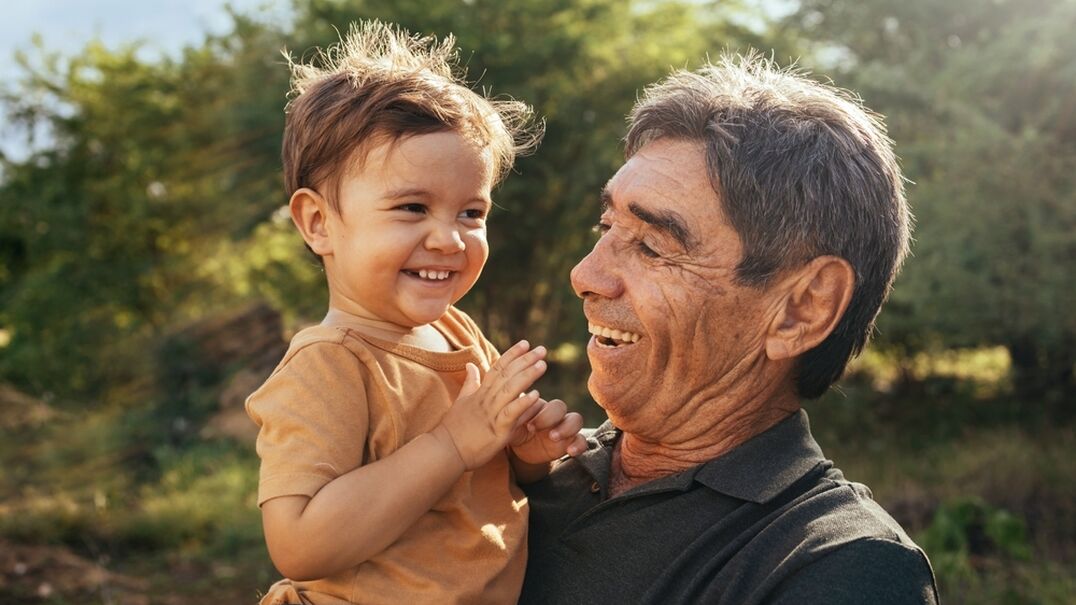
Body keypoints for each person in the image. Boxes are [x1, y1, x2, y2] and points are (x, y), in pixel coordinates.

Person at [519, 53, 939, 604]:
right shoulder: (521, 469)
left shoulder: (839, 566)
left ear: (802, 309)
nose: (585, 275)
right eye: (606, 226)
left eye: (652, 246)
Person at [245, 21, 586, 605]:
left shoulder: (457, 333)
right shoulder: (328, 365)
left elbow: (477, 487)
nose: (450, 239)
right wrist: (454, 443)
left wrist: (524, 457)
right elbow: (299, 544)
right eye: (411, 207)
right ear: (318, 223)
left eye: (471, 213)